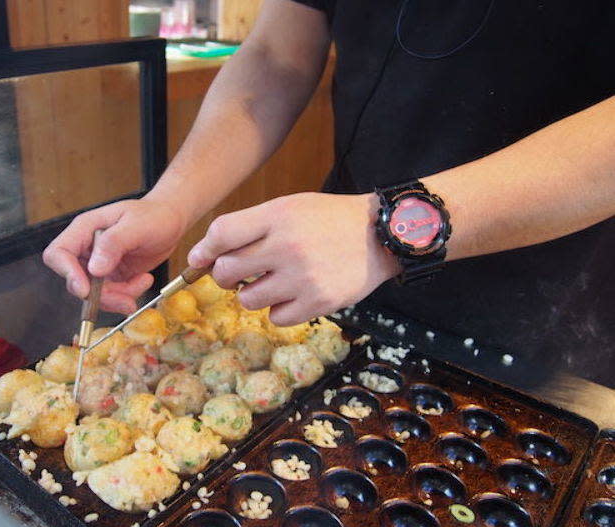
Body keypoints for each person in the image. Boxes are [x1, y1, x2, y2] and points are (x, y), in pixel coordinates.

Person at [43, 1, 615, 381]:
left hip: (551, 310)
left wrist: (388, 229)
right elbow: (276, 54)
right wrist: (169, 202)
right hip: (339, 277)